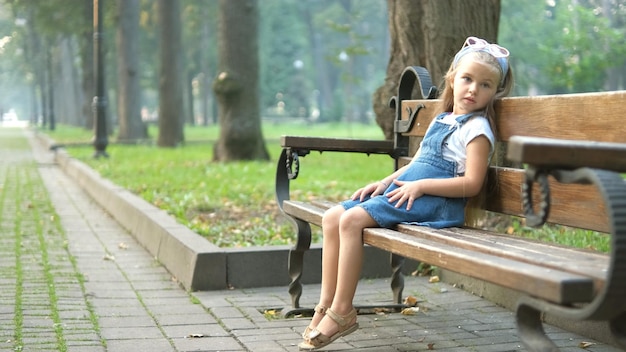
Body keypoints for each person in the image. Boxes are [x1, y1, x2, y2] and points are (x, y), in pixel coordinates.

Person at [298, 36, 514, 351]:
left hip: (438, 202)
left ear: (495, 92)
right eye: (467, 79)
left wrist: (421, 186)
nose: (473, 89)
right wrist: (385, 182)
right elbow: (419, 163)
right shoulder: (444, 119)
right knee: (333, 217)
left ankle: (343, 311)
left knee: (351, 221)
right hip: (412, 191)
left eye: (485, 85)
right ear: (452, 78)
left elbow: (471, 184)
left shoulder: (477, 130)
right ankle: (325, 304)